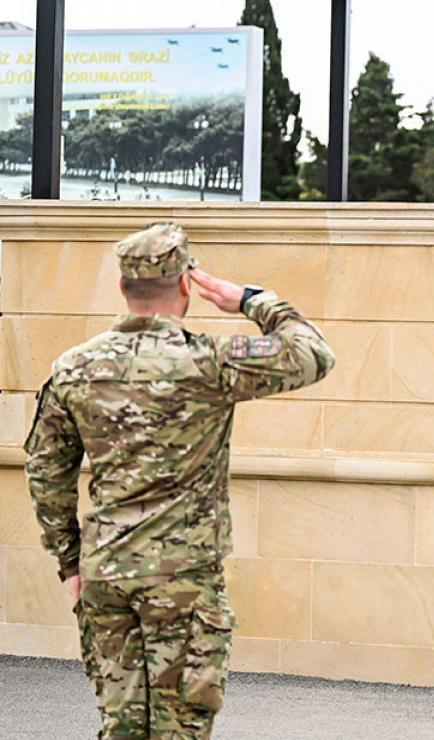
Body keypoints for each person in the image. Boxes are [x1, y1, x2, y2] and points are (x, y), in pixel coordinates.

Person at [23, 222, 335, 740]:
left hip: (106, 576)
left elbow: (45, 468)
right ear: (187, 285)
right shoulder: (210, 361)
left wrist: (70, 561)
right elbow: (312, 353)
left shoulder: (73, 368)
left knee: (121, 730)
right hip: (183, 580)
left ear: (123, 288)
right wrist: (251, 301)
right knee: (179, 731)